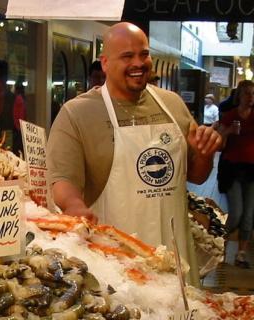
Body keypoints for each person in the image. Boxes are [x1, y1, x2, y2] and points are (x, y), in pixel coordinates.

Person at [47, 22, 221, 285]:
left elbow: (195, 175)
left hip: (177, 261)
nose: (139, 63)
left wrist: (206, 154)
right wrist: (74, 205)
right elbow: (62, 179)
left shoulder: (172, 104)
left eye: (144, 54)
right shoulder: (77, 113)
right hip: (114, 266)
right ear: (104, 63)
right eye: (127, 56)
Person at [217, 80, 254, 269]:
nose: (251, 97)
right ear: (239, 95)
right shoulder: (230, 116)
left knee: (249, 215)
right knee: (237, 213)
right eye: (247, 93)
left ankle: (241, 254)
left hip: (251, 171)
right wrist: (229, 131)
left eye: (253, 94)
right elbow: (219, 144)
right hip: (232, 169)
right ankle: (219, 244)